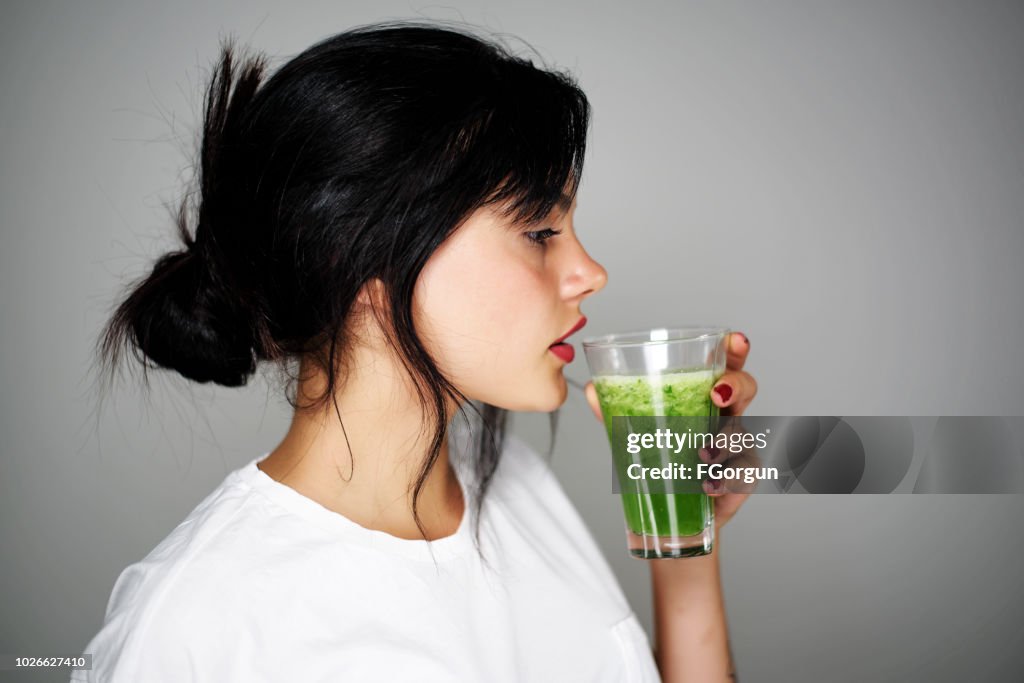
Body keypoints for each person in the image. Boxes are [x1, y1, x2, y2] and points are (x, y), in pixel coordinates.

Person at [77, 20, 758, 682]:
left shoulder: (519, 486)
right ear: (362, 261)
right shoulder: (197, 625)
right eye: (540, 229)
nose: (591, 272)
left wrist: (684, 542)